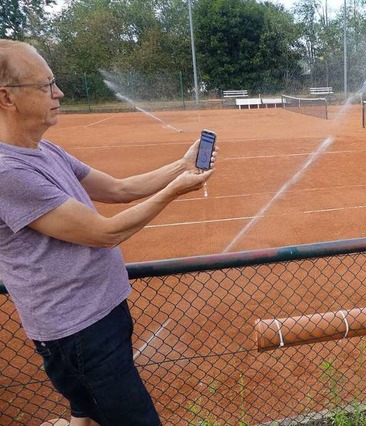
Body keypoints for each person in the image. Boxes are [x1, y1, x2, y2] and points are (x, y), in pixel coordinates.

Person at [0, 40, 217, 426]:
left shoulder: (46, 150)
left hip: (103, 311)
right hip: (78, 331)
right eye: (46, 84)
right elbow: (104, 233)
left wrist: (181, 165)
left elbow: (118, 189)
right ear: (7, 98)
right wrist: (175, 190)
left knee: (86, 414)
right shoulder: (8, 172)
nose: (58, 92)